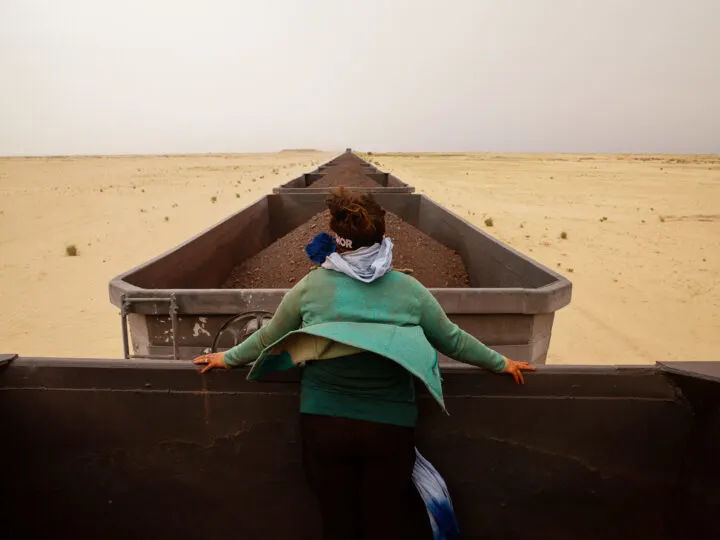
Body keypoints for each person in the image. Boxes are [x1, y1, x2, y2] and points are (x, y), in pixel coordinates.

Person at [193, 188, 535, 540]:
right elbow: (453, 340)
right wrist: (502, 363)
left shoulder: (310, 287)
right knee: (382, 526)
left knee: (337, 524)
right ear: (382, 235)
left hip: (324, 427)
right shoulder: (410, 290)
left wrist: (226, 358)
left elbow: (267, 339)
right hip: (388, 431)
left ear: (335, 240)